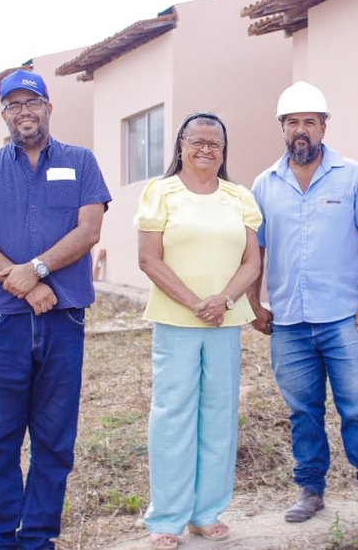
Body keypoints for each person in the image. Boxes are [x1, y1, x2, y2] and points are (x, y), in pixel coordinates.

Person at [0, 69, 111, 550]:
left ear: (48, 107)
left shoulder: (81, 162)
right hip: (5, 321)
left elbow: (89, 231)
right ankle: (0, 539)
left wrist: (37, 270)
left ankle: (39, 537)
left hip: (64, 320)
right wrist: (23, 285)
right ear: (4, 115)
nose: (24, 112)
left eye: (32, 102)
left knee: (54, 440)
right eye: (14, 105)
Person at [247, 81, 358, 526]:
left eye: (310, 121)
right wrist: (255, 304)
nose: (301, 130)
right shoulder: (264, 184)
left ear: (324, 126)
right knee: (303, 413)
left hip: (345, 319)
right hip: (289, 322)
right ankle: (310, 491)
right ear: (282, 129)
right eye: (293, 123)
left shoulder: (352, 176)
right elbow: (255, 250)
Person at [134, 112, 262, 550]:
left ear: (224, 151)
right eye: (197, 141)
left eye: (215, 143)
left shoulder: (238, 197)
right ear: (181, 145)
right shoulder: (160, 192)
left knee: (219, 414)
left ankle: (206, 512)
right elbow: (149, 259)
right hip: (177, 321)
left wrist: (223, 300)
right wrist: (194, 302)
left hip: (225, 321)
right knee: (173, 415)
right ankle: (166, 517)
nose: (206, 149)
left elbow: (252, 261)